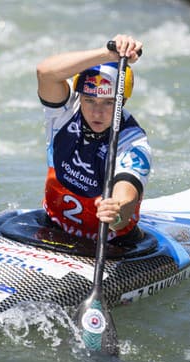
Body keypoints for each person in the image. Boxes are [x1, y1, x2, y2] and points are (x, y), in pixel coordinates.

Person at [36, 34, 151, 244]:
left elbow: (126, 195)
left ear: (122, 101)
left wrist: (116, 211)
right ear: (79, 95)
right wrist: (107, 54)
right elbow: (45, 73)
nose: (97, 112)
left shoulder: (133, 143)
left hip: (112, 243)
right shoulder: (65, 111)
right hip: (53, 228)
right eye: (90, 100)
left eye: (108, 103)